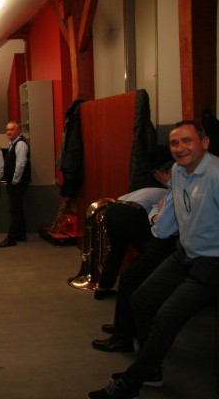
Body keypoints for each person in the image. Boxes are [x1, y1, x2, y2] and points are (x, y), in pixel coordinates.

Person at [88, 120, 219, 399]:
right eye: (175, 143)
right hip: (184, 252)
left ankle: (131, 383)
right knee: (141, 299)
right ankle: (152, 369)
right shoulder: (178, 171)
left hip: (211, 262)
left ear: (205, 143)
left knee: (165, 317)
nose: (180, 148)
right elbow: (171, 217)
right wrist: (158, 223)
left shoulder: (216, 176)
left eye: (187, 141)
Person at [92, 147, 176, 354]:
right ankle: (125, 329)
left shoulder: (170, 189)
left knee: (125, 265)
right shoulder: (169, 190)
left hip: (115, 210)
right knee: (134, 276)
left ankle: (108, 297)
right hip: (130, 214)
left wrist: (156, 216)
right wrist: (155, 216)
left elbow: (160, 221)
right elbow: (156, 217)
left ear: (160, 172)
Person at [0, 121, 31, 248]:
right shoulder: (13, 144)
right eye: (7, 130)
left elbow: (21, 164)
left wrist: (15, 180)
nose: (9, 132)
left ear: (18, 131)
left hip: (17, 183)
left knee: (15, 211)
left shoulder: (20, 144)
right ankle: (21, 234)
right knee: (18, 209)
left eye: (11, 129)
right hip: (15, 183)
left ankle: (11, 238)